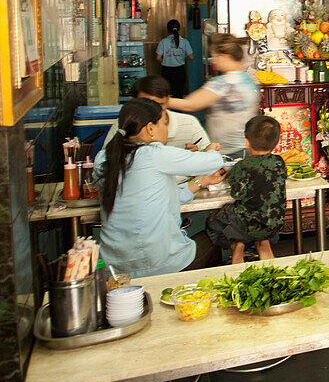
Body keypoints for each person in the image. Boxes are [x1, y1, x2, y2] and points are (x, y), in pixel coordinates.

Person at [95, 98, 227, 277]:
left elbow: (163, 198)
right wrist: (210, 149)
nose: (166, 130)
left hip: (113, 269)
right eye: (163, 124)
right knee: (215, 237)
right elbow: (213, 161)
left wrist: (201, 182)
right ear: (150, 128)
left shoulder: (103, 158)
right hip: (156, 264)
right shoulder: (153, 154)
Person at [206, 115, 286, 264]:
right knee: (262, 219)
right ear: (276, 142)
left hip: (246, 225)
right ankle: (263, 243)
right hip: (274, 224)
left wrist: (230, 175)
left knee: (215, 219)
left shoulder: (242, 165)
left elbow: (237, 193)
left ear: (246, 142)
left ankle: (237, 245)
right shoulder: (279, 162)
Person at [169, 34, 260, 158]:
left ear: (225, 56)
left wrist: (161, 101)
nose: (214, 62)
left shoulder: (224, 83)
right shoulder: (249, 79)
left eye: (215, 57)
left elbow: (189, 105)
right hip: (246, 147)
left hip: (227, 150)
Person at [105, 75, 216, 153]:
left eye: (160, 104)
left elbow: (208, 155)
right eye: (146, 105)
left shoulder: (189, 123)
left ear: (168, 100)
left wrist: (195, 156)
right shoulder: (124, 125)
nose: (154, 111)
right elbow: (107, 162)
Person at [156, 19, 193, 98]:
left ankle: (168, 109)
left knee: (167, 93)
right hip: (180, 70)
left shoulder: (163, 42)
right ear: (179, 29)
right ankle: (178, 110)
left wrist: (165, 61)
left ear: (168, 29)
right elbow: (191, 57)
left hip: (166, 70)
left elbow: (158, 57)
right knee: (179, 92)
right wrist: (182, 57)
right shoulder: (184, 41)